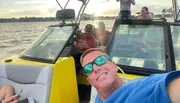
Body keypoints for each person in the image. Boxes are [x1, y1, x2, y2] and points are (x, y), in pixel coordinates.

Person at [80, 48, 180, 103]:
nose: (96, 68)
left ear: (114, 66)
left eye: (100, 60)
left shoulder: (140, 89)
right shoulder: (99, 98)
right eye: (88, 68)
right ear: (90, 81)